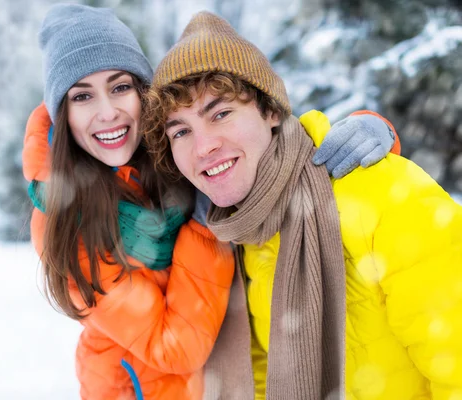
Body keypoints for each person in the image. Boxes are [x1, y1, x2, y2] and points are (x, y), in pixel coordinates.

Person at [23, 4, 401, 400]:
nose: (107, 113)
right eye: (82, 96)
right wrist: (205, 226)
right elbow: (175, 346)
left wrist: (371, 131)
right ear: (62, 114)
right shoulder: (66, 219)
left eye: (120, 87)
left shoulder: (176, 145)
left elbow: (270, 141)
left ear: (144, 94)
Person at [144, 11, 462, 400]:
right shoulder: (235, 234)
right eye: (181, 131)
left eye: (221, 114)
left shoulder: (386, 194)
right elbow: (261, 379)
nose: (203, 146)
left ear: (271, 112)